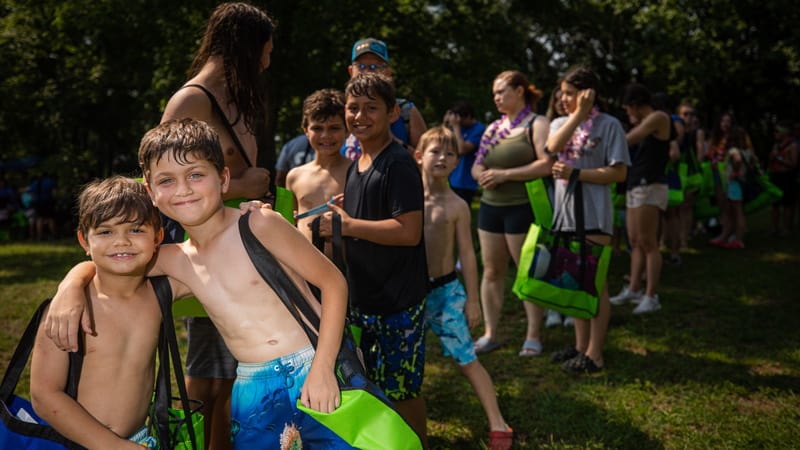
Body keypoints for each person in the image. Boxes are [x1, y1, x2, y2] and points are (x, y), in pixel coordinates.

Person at [45, 119, 353, 449]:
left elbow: (333, 282)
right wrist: (71, 284)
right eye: (167, 180)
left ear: (222, 179)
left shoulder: (258, 224)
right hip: (250, 388)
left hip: (313, 365)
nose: (183, 189)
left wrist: (322, 368)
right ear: (151, 194)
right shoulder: (175, 259)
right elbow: (111, 260)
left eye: (196, 174)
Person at [158, 4, 274, 447]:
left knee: (233, 370)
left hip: (238, 252)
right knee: (206, 375)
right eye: (264, 51)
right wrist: (240, 184)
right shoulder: (191, 101)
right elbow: (161, 184)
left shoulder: (233, 98)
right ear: (243, 48)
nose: (266, 62)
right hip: (204, 255)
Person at [31, 176, 191, 449]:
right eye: (105, 232)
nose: (122, 242)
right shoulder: (66, 310)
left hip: (142, 440)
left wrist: (250, 216)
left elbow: (211, 254)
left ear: (158, 236)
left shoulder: (160, 292)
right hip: (79, 443)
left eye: (136, 230)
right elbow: (44, 395)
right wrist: (111, 446)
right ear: (84, 240)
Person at [316, 72, 430, 445]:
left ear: (393, 112)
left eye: (371, 108)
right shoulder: (359, 164)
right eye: (353, 108)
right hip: (364, 300)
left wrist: (349, 225)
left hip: (399, 302)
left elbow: (408, 231)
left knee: (403, 391)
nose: (360, 116)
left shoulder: (398, 163)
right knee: (374, 387)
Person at [414, 126, 513, 450]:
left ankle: (498, 423)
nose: (442, 158)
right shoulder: (405, 199)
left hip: (444, 294)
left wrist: (472, 300)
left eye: (450, 153)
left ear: (458, 161)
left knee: (467, 358)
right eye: (435, 151)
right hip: (408, 295)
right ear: (419, 156)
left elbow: (468, 255)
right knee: (402, 362)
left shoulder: (456, 205)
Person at [547, 66, 629, 373]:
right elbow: (552, 148)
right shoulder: (559, 122)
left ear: (587, 94)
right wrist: (577, 116)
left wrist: (578, 174)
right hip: (565, 216)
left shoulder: (610, 126)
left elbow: (619, 172)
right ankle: (580, 346)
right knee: (574, 285)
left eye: (570, 93)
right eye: (562, 92)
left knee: (595, 284)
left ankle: (595, 354)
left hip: (594, 216)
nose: (563, 98)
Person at [470, 70, 552, 357]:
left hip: (522, 207)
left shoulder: (537, 124)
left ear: (520, 91)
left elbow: (546, 164)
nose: (496, 97)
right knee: (491, 271)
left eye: (502, 91)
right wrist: (482, 174)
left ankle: (533, 334)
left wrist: (505, 174)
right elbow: (477, 165)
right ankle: (491, 333)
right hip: (491, 208)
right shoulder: (493, 128)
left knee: (526, 271)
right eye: (494, 93)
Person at [610, 84, 672, 314]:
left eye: (628, 109)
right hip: (636, 183)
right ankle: (634, 288)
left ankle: (651, 295)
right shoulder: (647, 122)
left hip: (651, 184)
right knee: (634, 240)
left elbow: (629, 140)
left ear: (636, 105)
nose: (628, 114)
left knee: (648, 242)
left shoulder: (658, 117)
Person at [340, 38, 427, 159]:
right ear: (350, 71)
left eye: (375, 66)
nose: (368, 71)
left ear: (388, 72)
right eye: (361, 66)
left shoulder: (406, 111)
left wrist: (390, 141)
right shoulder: (338, 112)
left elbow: (426, 162)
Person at [286, 89, 350, 251]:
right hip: (305, 268)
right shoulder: (294, 177)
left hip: (346, 268)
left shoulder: (356, 172)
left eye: (334, 128)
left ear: (347, 130)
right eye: (317, 128)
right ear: (306, 130)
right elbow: (289, 223)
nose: (325, 135)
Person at [442, 100, 487, 206]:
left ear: (468, 116)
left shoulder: (479, 129)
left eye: (460, 119)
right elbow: (441, 142)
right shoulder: (458, 128)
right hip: (452, 178)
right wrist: (445, 123)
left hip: (466, 182)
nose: (458, 122)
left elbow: (462, 149)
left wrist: (456, 127)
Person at [676, 101, 706, 247]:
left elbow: (700, 153)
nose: (688, 117)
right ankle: (667, 239)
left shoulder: (697, 133)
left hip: (691, 172)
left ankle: (683, 240)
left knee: (686, 208)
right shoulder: (675, 131)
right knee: (673, 208)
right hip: (676, 172)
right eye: (685, 114)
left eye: (691, 114)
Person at [768, 121, 798, 236]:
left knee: (787, 204)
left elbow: (794, 163)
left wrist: (779, 158)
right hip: (776, 176)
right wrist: (772, 157)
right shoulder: (776, 145)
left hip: (787, 177)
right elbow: (771, 159)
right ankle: (774, 228)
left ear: (785, 133)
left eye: (777, 131)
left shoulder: (793, 145)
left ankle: (786, 229)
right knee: (775, 204)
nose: (775, 134)